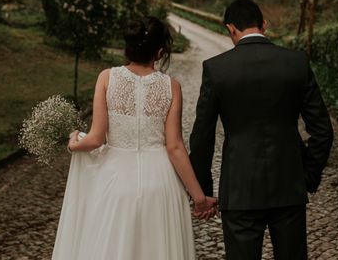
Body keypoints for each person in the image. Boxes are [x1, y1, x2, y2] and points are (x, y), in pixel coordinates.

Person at [52, 16, 217, 260]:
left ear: (128, 48)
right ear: (160, 52)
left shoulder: (107, 78)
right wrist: (199, 198)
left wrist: (75, 142)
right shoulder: (171, 86)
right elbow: (175, 147)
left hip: (115, 181)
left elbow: (96, 138)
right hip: (161, 185)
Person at [189, 0, 334, 260]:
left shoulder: (216, 69)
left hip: (239, 189)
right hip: (289, 186)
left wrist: (204, 190)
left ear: (230, 28)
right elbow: (322, 130)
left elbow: (202, 137)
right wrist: (308, 177)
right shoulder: (296, 62)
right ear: (264, 25)